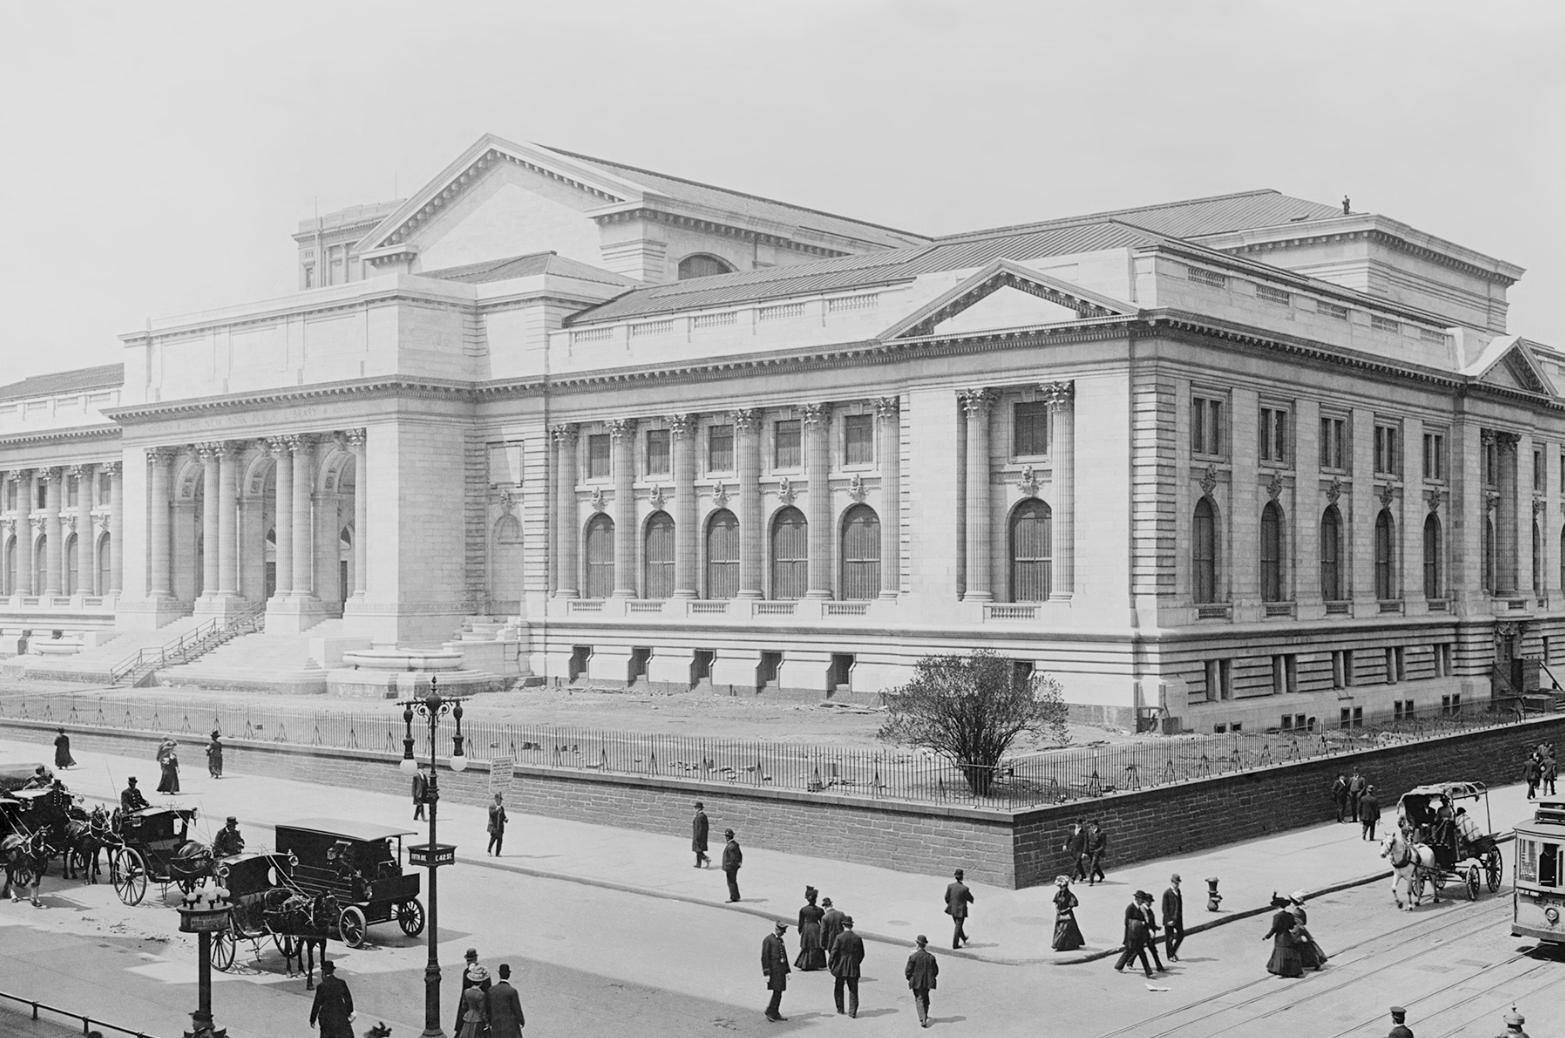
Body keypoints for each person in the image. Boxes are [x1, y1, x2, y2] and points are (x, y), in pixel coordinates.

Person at [828, 915, 865, 1018]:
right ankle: (852, 1012)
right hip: (853, 967)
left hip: (840, 966)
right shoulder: (857, 938)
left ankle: (840, 1008)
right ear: (851, 926)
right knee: (853, 990)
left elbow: (833, 952)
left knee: (839, 988)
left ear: (843, 925)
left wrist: (831, 964)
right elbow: (861, 954)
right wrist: (856, 962)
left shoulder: (839, 937)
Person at [308, 960, 354, 1038]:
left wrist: (312, 1019)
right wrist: (348, 1013)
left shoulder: (321, 986)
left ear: (324, 972)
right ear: (333, 971)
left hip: (326, 1018)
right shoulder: (341, 983)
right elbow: (348, 1000)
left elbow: (316, 1004)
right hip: (340, 1017)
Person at [1112, 893, 1154, 977]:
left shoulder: (1140, 908)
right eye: (1142, 899)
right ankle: (1148, 971)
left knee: (1137, 952)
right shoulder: (1130, 908)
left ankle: (1119, 966)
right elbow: (1127, 922)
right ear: (1138, 899)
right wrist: (1140, 923)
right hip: (1131, 935)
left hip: (1138, 935)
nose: (1143, 901)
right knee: (1131, 951)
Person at [1262, 894, 1303, 978]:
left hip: (1280, 936)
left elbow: (1274, 928)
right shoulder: (1289, 915)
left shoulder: (1277, 916)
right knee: (1289, 953)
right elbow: (1292, 926)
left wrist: (1267, 936)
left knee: (1280, 952)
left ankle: (1281, 970)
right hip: (1288, 935)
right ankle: (1293, 971)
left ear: (1278, 906)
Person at [454, 948, 491, 1035]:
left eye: (469, 960)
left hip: (472, 1010)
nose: (468, 962)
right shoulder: (481, 972)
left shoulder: (469, 972)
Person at [905, 934, 939, 1029]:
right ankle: (925, 1014)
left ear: (917, 944)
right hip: (927, 982)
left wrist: (910, 978)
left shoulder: (913, 957)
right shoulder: (931, 957)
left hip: (916, 981)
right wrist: (931, 978)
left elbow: (908, 971)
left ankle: (923, 1018)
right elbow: (935, 971)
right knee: (926, 998)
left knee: (919, 999)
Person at [1288, 890, 1327, 970]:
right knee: (1307, 947)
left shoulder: (1295, 912)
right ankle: (1313, 962)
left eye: (1291, 902)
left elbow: (1298, 924)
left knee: (1298, 948)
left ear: (1294, 903)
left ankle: (1302, 963)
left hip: (1298, 931)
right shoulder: (1301, 911)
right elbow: (1304, 922)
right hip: (1301, 931)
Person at [761, 920, 791, 1022]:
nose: (783, 933)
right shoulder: (768, 940)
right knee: (777, 991)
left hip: (781, 971)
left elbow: (784, 956)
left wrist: (787, 970)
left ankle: (775, 1012)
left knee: (779, 992)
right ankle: (770, 1011)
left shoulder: (780, 940)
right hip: (773, 971)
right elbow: (764, 958)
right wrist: (766, 973)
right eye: (782, 931)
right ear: (777, 929)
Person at [487, 962, 525, 1038]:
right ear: (509, 975)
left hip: (496, 1025)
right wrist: (521, 1021)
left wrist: (489, 1022)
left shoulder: (491, 990)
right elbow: (517, 1009)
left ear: (499, 974)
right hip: (510, 1026)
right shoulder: (512, 991)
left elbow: (488, 1008)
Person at [795, 885, 826, 970]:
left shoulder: (803, 909)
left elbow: (800, 922)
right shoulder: (820, 910)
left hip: (807, 928)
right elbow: (823, 922)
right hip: (816, 928)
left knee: (807, 947)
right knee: (816, 946)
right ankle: (817, 964)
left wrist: (800, 931)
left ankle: (805, 964)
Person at [1051, 875, 1084, 952]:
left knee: (1065, 929)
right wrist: (1057, 909)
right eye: (1060, 887)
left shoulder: (1069, 895)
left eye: (1062, 887)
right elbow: (1055, 902)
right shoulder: (1058, 894)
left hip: (1067, 914)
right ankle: (1061, 945)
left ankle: (1061, 944)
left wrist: (1065, 910)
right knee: (1059, 929)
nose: (1061, 889)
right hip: (1059, 914)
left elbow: (1072, 905)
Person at [1136, 891, 1168, 971]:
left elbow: (1151, 921)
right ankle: (1159, 967)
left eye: (1150, 902)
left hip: (1150, 933)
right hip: (1146, 933)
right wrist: (1150, 930)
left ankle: (1129, 962)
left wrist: (1156, 927)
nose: (1150, 903)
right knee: (1152, 950)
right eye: (1149, 902)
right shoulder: (1143, 909)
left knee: (1140, 949)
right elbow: (1146, 921)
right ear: (1145, 901)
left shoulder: (1148, 909)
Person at [944, 868, 974, 948]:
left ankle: (964, 938)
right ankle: (955, 944)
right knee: (958, 926)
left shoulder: (950, 886)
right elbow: (970, 899)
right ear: (962, 877)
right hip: (961, 910)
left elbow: (946, 898)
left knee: (958, 925)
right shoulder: (964, 888)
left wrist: (951, 904)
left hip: (952, 909)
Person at [1162, 874, 1185, 961]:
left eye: (1178, 883)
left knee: (1181, 935)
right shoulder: (1167, 893)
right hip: (1169, 919)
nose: (1177, 885)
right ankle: (1170, 956)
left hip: (1178, 918)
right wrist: (1168, 920)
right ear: (1171, 882)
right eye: (1175, 883)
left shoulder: (1178, 891)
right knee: (1169, 938)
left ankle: (1173, 952)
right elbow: (1164, 908)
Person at [722, 829, 743, 902]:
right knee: (733, 881)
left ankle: (734, 897)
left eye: (727, 836)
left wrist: (728, 865)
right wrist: (739, 863)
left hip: (731, 867)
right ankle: (736, 896)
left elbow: (732, 858)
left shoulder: (731, 846)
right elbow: (740, 855)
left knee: (731, 882)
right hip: (734, 866)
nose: (726, 838)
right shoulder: (735, 844)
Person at [1086, 820, 1108, 884]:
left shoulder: (1101, 833)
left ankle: (1091, 880)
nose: (1091, 827)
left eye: (1093, 825)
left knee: (1093, 865)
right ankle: (1101, 875)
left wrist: (1097, 851)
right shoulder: (1089, 832)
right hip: (1090, 851)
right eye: (1091, 825)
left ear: (1097, 826)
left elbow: (1103, 845)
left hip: (1097, 852)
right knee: (1095, 865)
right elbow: (1087, 842)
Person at [692, 801, 710, 868]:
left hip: (699, 836)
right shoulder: (702, 816)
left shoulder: (700, 816)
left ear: (699, 808)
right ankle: (698, 864)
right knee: (698, 849)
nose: (695, 809)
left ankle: (706, 859)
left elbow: (699, 828)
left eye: (696, 808)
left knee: (698, 850)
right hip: (701, 836)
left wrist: (697, 836)